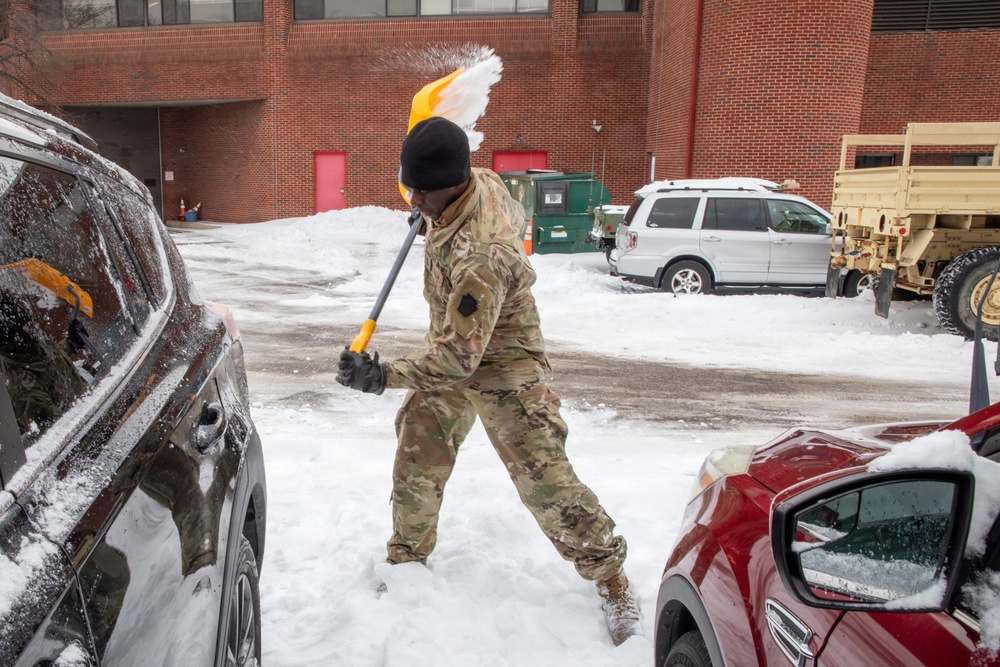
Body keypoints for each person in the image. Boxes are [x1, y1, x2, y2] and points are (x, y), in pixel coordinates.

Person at [336, 116, 640, 645]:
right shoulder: (474, 180)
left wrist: (382, 375)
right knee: (417, 454)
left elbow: (459, 362)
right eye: (410, 188)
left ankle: (610, 576)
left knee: (546, 483)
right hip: (453, 347)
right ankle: (407, 559)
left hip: (504, 366)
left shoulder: (482, 256)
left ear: (452, 184)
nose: (414, 204)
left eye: (421, 193)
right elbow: (453, 351)